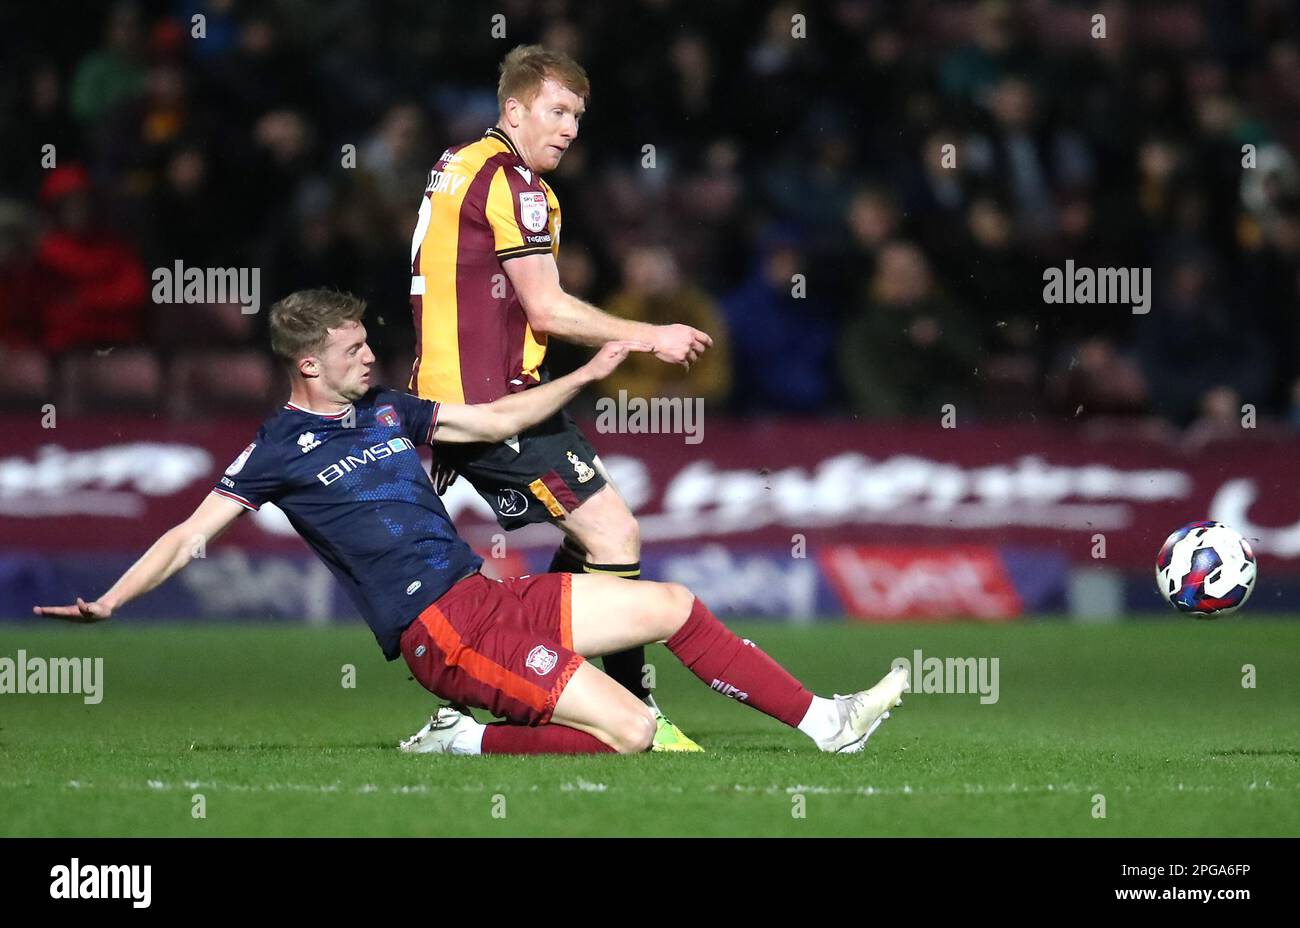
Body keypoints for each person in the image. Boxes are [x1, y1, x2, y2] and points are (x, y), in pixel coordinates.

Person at [34, 289, 907, 756]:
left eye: (367, 342)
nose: (371, 354)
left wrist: (597, 366)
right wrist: (111, 601)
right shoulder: (274, 450)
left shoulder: (385, 409)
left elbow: (490, 423)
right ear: (308, 364)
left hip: (489, 597)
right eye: (352, 350)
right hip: (439, 634)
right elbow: (189, 534)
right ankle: (468, 739)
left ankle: (827, 725)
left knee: (672, 602)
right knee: (633, 735)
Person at [406, 45, 713, 750]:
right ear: (513, 110)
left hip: (464, 396)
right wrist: (649, 334)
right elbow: (545, 308)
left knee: (594, 540)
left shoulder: (455, 164)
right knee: (615, 536)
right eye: (557, 110)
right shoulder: (515, 184)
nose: (570, 128)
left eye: (577, 114)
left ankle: (528, 677)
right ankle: (632, 712)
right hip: (493, 401)